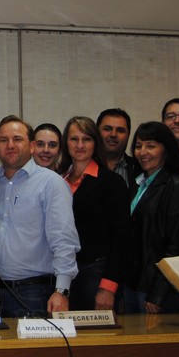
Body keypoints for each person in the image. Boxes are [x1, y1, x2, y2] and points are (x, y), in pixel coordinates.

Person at [0, 116, 79, 318]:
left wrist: (62, 291)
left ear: (32, 146)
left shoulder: (51, 184)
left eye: (17, 139)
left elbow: (64, 239)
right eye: (3, 140)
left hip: (35, 291)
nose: (10, 145)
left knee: (35, 351)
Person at [56, 117, 130, 311]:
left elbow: (122, 237)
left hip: (96, 275)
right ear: (66, 143)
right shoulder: (57, 181)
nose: (80, 145)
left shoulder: (111, 182)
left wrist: (108, 287)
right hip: (62, 275)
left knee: (95, 338)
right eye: (74, 139)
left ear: (95, 143)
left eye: (86, 139)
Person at [122, 121, 179, 314]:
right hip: (131, 285)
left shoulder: (178, 187)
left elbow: (176, 246)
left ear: (166, 149)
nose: (143, 152)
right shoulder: (138, 184)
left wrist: (158, 293)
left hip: (156, 291)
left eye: (151, 146)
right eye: (138, 146)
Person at [97, 108, 141, 188]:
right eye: (107, 129)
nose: (113, 134)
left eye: (120, 130)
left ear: (128, 135)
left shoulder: (141, 169)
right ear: (96, 132)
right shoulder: (83, 168)